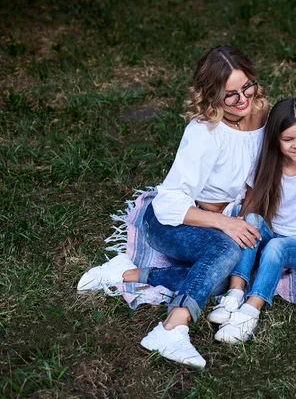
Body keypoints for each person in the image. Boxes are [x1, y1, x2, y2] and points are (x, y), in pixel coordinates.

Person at [77, 45, 269, 367]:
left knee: (222, 279)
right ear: (210, 96)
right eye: (230, 95)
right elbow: (168, 205)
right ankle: (171, 328)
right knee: (225, 253)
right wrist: (224, 223)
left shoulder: (259, 115)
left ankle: (126, 272)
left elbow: (254, 178)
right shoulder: (204, 133)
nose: (242, 100)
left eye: (246, 87)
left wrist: (242, 219)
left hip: (217, 217)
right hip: (170, 221)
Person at [206, 97, 296, 343]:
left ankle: (251, 310)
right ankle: (235, 293)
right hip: (273, 230)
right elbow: (251, 202)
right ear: (275, 139)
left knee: (275, 247)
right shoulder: (267, 162)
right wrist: (238, 226)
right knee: (251, 220)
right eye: (288, 139)